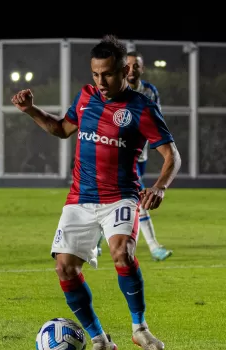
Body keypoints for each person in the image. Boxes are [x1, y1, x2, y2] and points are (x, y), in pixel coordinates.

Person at [11, 35, 181, 350]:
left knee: (123, 252)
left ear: (123, 71)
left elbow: (171, 155)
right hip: (80, 197)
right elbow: (62, 129)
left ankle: (139, 328)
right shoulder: (86, 97)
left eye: (107, 74)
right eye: (95, 74)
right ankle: (100, 340)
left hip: (120, 197)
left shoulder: (142, 107)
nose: (100, 81)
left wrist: (159, 186)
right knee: (64, 268)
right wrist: (31, 110)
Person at [95, 50, 173, 262]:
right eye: (128, 65)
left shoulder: (149, 91)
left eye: (136, 65)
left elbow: (156, 121)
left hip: (141, 153)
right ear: (123, 68)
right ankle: (154, 246)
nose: (132, 69)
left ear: (141, 68)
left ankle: (96, 240)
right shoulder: (114, 89)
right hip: (119, 154)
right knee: (135, 198)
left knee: (120, 199)